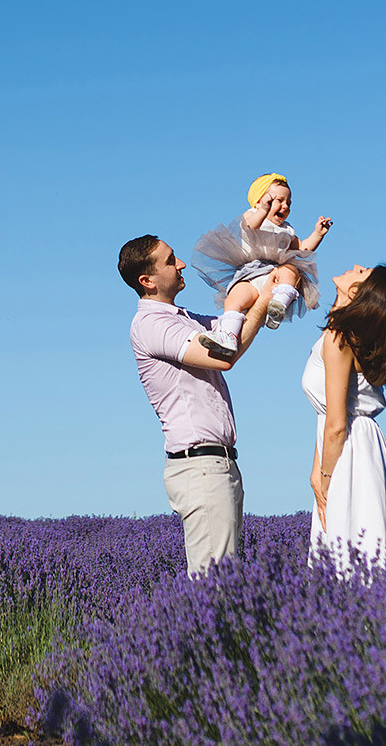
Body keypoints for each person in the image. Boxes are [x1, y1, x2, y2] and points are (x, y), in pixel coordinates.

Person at [121, 233, 269, 575]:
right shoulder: (151, 324)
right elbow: (222, 355)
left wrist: (265, 290)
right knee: (214, 585)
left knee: (224, 579)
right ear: (147, 281)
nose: (181, 263)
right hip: (201, 467)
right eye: (171, 260)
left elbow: (233, 333)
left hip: (215, 464)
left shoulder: (181, 317)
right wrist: (247, 304)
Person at [304, 263, 386, 577]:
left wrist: (325, 480)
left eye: (363, 272)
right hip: (354, 447)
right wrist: (316, 470)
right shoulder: (340, 334)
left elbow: (337, 422)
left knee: (349, 558)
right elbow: (327, 413)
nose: (356, 267)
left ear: (358, 292)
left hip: (350, 450)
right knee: (357, 557)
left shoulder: (339, 338)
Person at [191, 172, 332, 358]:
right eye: (279, 200)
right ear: (259, 201)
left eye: (289, 202)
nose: (285, 206)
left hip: (275, 269)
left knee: (291, 270)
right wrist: (262, 211)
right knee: (233, 300)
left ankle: (278, 305)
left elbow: (303, 248)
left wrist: (318, 234)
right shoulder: (252, 215)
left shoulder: (287, 229)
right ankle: (228, 336)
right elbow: (250, 226)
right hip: (250, 273)